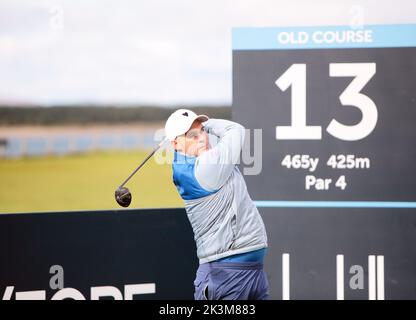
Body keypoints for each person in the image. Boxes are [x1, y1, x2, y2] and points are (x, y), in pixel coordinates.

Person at [164, 108, 269, 300]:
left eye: (202, 131)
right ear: (176, 143)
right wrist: (210, 124)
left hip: (248, 272)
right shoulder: (204, 168)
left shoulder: (200, 162)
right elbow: (235, 130)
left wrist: (202, 126)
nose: (203, 138)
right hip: (227, 275)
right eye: (192, 135)